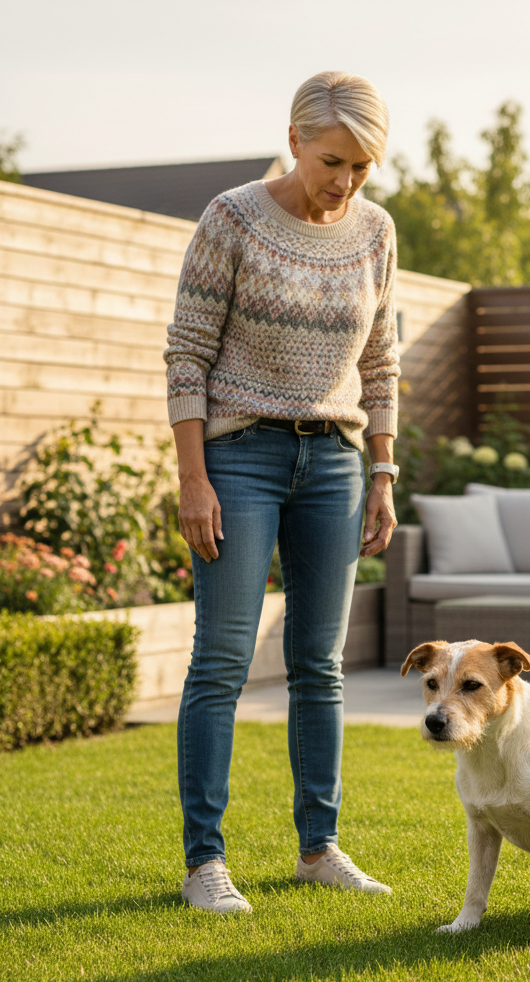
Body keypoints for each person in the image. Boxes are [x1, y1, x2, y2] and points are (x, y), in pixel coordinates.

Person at [163, 71, 400, 914]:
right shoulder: (231, 218)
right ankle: (204, 863)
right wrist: (194, 478)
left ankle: (319, 848)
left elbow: (380, 361)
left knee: (319, 666)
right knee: (223, 660)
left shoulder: (376, 231)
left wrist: (382, 471)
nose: (346, 182)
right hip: (240, 458)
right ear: (295, 140)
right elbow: (187, 354)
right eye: (333, 161)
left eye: (362, 167)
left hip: (334, 462)